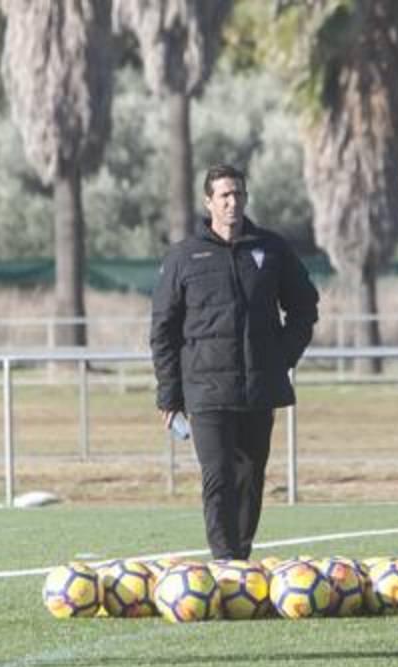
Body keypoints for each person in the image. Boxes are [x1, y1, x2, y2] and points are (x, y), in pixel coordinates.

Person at [150, 164, 319, 561]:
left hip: (259, 389)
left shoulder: (272, 249)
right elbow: (163, 330)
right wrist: (169, 394)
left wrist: (280, 359)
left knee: (249, 478)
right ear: (209, 202)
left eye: (238, 194)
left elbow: (304, 308)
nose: (233, 202)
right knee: (218, 475)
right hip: (205, 392)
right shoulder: (185, 256)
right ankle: (223, 559)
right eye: (224, 195)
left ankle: (240, 555)